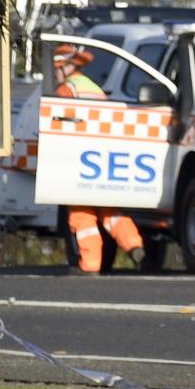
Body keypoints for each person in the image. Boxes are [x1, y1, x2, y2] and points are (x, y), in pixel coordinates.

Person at [52, 43, 146, 275]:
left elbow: (58, 125)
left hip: (78, 159)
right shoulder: (93, 87)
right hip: (101, 160)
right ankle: (134, 247)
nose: (54, 74)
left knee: (81, 215)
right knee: (111, 213)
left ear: (65, 66)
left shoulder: (67, 90)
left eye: (56, 68)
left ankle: (90, 265)